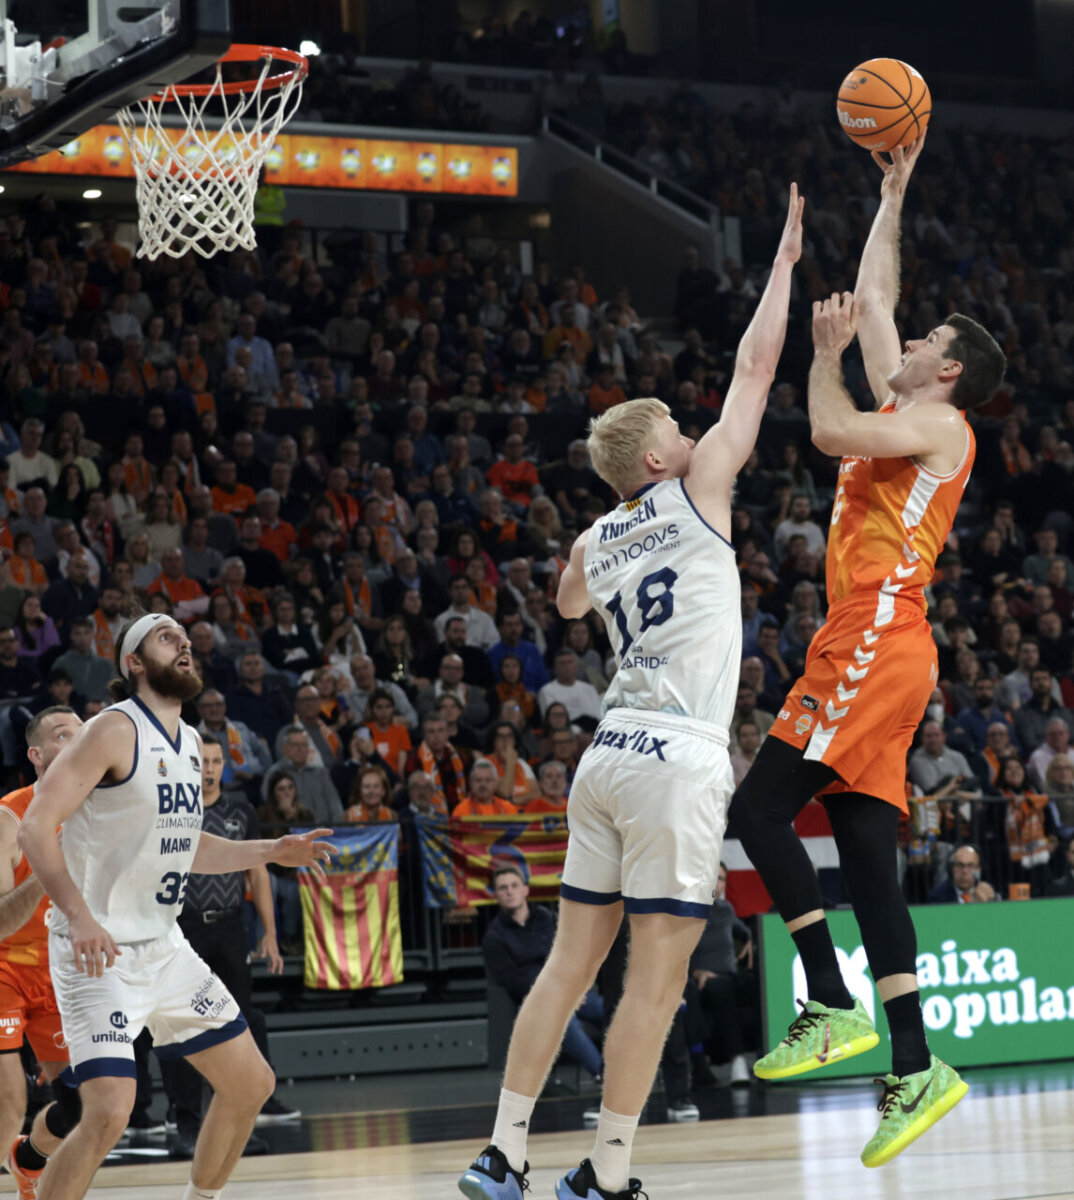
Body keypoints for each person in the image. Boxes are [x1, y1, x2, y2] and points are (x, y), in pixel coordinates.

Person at [459, 182, 803, 1200]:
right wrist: (780, 267)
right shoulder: (699, 494)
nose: (699, 433)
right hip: (680, 754)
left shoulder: (596, 537)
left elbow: (566, 605)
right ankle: (605, 1175)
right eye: (679, 428)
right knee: (655, 983)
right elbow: (754, 366)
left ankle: (502, 1152)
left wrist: (602, 533)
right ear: (657, 458)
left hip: (604, 755)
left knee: (570, 967)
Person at [729, 138, 1006, 1168]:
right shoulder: (917, 403)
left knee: (756, 808)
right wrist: (894, 191)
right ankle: (915, 1064)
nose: (910, 332)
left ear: (950, 372)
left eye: (928, 337)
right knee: (870, 865)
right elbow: (882, 290)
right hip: (887, 643)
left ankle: (830, 1003)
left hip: (876, 635)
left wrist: (819, 354)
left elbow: (829, 429)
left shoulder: (938, 430)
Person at [17, 611, 333, 1200]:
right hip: (98, 952)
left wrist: (273, 849)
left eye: (186, 638)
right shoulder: (112, 729)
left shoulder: (190, 741)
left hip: (164, 948)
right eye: (167, 638)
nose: (184, 643)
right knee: (109, 1110)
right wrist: (81, 918)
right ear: (133, 662)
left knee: (251, 1084)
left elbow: (185, 847)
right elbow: (37, 828)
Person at [162, 736, 299, 1161]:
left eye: (217, 761)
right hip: (182, 928)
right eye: (203, 760)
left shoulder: (240, 811)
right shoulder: (177, 809)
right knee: (181, 1027)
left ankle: (231, 1123)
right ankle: (184, 1121)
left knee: (233, 1025)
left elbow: (258, 873)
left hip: (230, 926)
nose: (210, 768)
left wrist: (270, 933)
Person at [0, 708, 84, 1194]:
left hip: (61, 970)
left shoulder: (98, 809)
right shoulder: (10, 817)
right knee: (8, 1104)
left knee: (83, 1104)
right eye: (62, 734)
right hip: (5, 967)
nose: (77, 740)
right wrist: (44, 867)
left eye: (83, 732)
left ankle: (27, 1159)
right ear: (36, 755)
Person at [482, 865, 603, 1080]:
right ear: (496, 895)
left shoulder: (548, 919)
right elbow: (512, 981)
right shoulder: (494, 938)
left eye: (514, 886)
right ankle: (605, 1079)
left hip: (570, 991)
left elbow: (571, 955)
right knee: (564, 1021)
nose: (509, 891)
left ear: (525, 890)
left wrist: (573, 988)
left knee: (612, 1009)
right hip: (534, 1002)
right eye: (502, 888)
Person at [926, 843, 998, 904]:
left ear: (978, 870)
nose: (965, 871)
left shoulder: (988, 891)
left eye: (970, 865)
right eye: (960, 865)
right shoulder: (937, 896)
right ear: (952, 868)